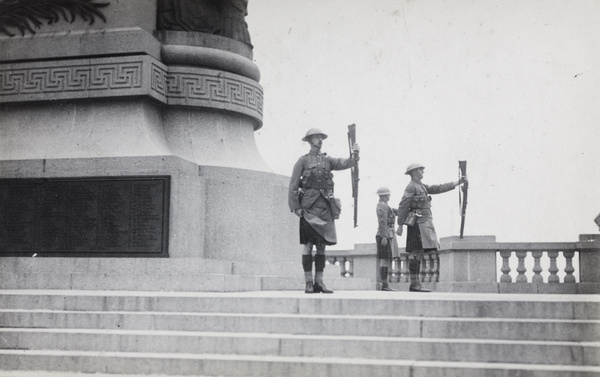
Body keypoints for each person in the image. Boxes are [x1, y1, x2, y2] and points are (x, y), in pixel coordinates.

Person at [289, 128, 360, 294]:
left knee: (322, 246)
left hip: (325, 207)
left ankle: (319, 282)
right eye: (316, 137)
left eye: (321, 137)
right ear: (309, 140)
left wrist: (355, 156)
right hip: (309, 207)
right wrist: (296, 207)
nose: (320, 140)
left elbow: (345, 163)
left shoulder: (328, 160)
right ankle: (308, 282)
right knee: (308, 245)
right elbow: (293, 186)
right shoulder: (303, 161)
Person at [396, 163, 467, 292]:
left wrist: (457, 182)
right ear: (414, 172)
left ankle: (416, 283)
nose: (423, 171)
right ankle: (414, 284)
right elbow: (403, 206)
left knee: (419, 253)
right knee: (416, 253)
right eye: (420, 170)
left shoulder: (421, 186)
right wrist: (400, 225)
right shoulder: (411, 186)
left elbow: (438, 188)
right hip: (417, 224)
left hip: (424, 224)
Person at [376, 187, 398, 291]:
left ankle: (385, 284)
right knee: (385, 259)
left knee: (386, 259)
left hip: (386, 234)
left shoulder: (384, 206)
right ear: (384, 195)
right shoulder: (383, 206)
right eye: (388, 194)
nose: (389, 196)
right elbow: (382, 222)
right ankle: (385, 284)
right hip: (385, 235)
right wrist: (384, 236)